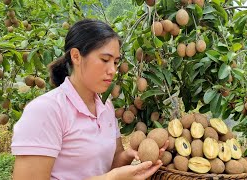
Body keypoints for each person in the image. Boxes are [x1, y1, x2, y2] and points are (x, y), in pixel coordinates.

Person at [11, 19, 168, 180]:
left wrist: (129, 155)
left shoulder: (106, 107)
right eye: (105, 60)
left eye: (115, 62)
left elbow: (110, 165)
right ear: (76, 56)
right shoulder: (45, 110)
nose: (113, 70)